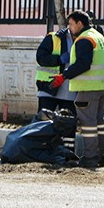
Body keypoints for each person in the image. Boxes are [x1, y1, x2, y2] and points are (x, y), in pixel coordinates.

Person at [50, 10, 104, 168]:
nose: (69, 28)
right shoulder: (98, 36)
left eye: (71, 24)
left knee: (88, 124)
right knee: (100, 121)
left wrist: (63, 76)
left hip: (89, 88)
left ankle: (90, 158)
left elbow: (83, 64)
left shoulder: (84, 40)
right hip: (103, 86)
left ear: (80, 24)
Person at [35, 26, 78, 154]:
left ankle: (68, 154)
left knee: (69, 126)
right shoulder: (53, 38)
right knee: (43, 124)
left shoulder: (83, 39)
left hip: (70, 91)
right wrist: (59, 60)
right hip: (49, 88)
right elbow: (41, 58)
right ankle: (39, 151)